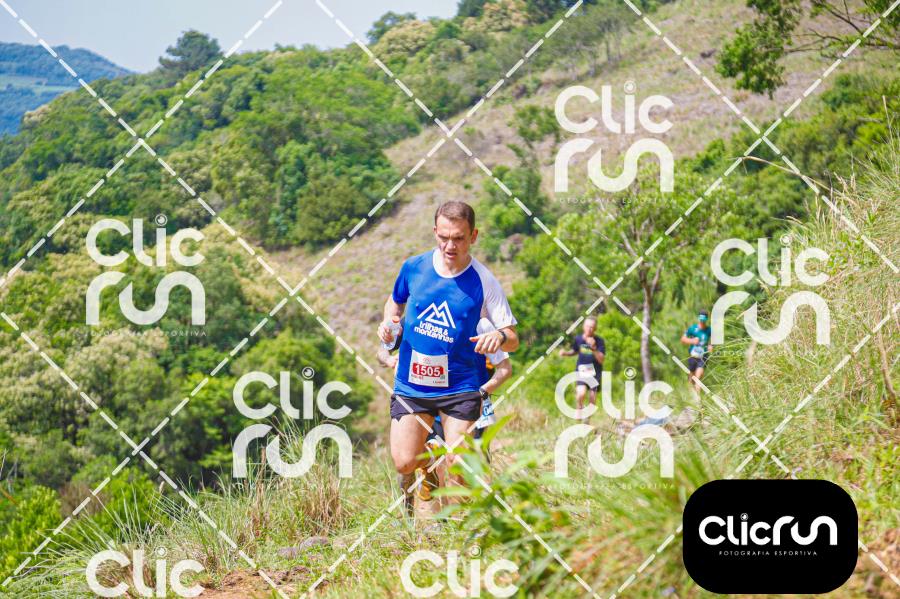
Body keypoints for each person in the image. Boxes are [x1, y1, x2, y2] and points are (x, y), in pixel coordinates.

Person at [377, 201, 518, 514]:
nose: (450, 246)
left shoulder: (483, 281)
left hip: (460, 388)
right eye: (443, 237)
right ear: (434, 232)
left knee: (459, 464)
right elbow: (394, 302)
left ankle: (458, 530)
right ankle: (429, 464)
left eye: (458, 238)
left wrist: (499, 337)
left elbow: (513, 338)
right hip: (412, 386)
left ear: (473, 236)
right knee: (404, 463)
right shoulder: (414, 268)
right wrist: (389, 323)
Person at [377, 318, 512, 501]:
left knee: (466, 467)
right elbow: (382, 350)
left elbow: (504, 368)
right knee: (428, 468)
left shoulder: (481, 325)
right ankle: (430, 513)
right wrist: (390, 360)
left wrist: (481, 393)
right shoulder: (417, 317)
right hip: (426, 403)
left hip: (469, 404)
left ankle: (465, 512)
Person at [558, 316, 605, 419]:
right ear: (583, 327)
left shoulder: (599, 341)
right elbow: (575, 351)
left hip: (595, 373)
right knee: (581, 393)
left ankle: (587, 421)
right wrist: (565, 353)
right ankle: (579, 407)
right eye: (587, 326)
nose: (589, 329)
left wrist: (593, 348)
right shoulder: (578, 339)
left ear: (595, 328)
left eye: (592, 327)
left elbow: (601, 360)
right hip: (582, 370)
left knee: (592, 400)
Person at [680, 310, 712, 395]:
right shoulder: (692, 328)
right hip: (693, 356)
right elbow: (683, 339)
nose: (702, 322)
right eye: (701, 319)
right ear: (698, 318)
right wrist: (692, 341)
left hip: (703, 357)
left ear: (706, 319)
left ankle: (698, 400)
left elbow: (713, 341)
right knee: (691, 379)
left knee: (698, 378)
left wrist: (711, 346)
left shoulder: (709, 330)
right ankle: (691, 396)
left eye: (704, 320)